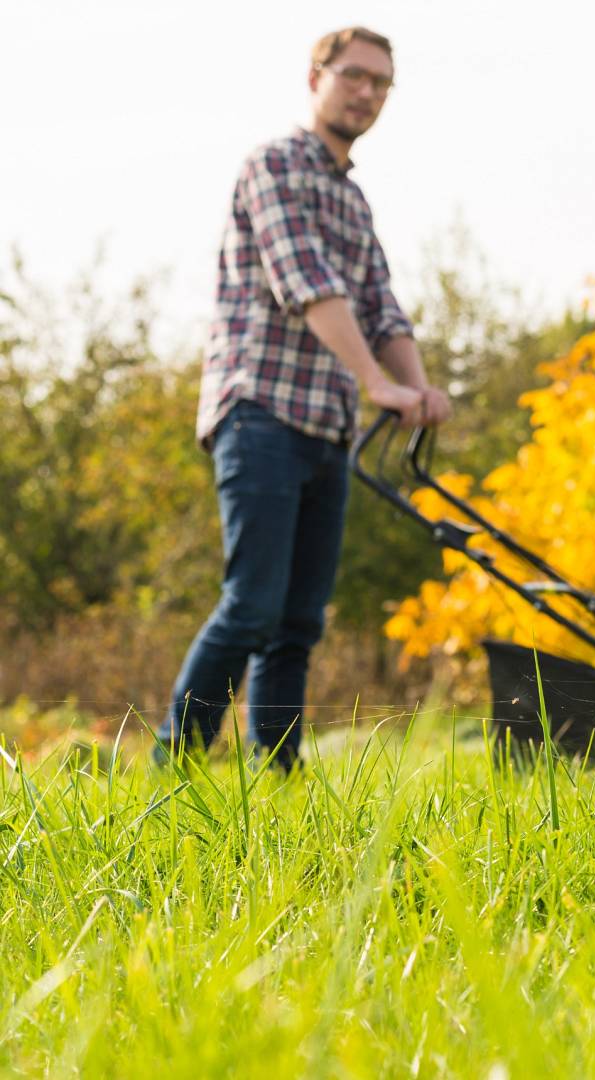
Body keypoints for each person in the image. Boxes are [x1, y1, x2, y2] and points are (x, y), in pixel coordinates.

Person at [159, 26, 450, 771]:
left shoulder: (353, 200)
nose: (367, 93)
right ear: (316, 77)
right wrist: (377, 384)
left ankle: (276, 780)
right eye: (354, 76)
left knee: (297, 623)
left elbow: (381, 307)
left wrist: (417, 388)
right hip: (258, 412)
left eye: (381, 84)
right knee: (251, 606)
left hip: (325, 429)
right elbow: (305, 282)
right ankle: (173, 768)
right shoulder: (276, 165)